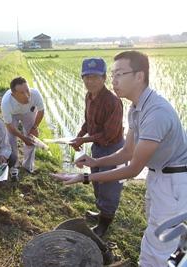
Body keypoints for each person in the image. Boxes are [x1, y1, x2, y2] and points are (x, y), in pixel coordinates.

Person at [50, 50, 187, 267]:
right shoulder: (136, 108)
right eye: (112, 75)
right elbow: (127, 152)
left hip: (174, 181)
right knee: (159, 231)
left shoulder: (156, 112)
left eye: (119, 75)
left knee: (156, 249)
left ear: (139, 76)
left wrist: (85, 178)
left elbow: (132, 169)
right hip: (159, 176)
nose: (113, 81)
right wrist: (95, 163)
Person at [70, 58, 125, 237]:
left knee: (108, 186)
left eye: (95, 77)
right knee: (96, 182)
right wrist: (78, 137)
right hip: (98, 148)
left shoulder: (113, 101)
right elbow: (89, 122)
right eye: (86, 77)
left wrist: (83, 141)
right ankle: (102, 213)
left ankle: (103, 225)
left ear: (104, 77)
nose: (90, 81)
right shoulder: (89, 96)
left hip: (113, 149)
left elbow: (109, 134)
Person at [1, 77, 45, 181]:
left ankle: (27, 166)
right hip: (13, 115)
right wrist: (23, 138)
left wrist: (34, 127)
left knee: (32, 138)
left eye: (27, 90)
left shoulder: (36, 94)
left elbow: (41, 111)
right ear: (13, 95)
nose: (26, 95)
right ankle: (14, 166)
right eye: (21, 93)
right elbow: (9, 124)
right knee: (10, 138)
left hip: (28, 112)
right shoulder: (6, 102)